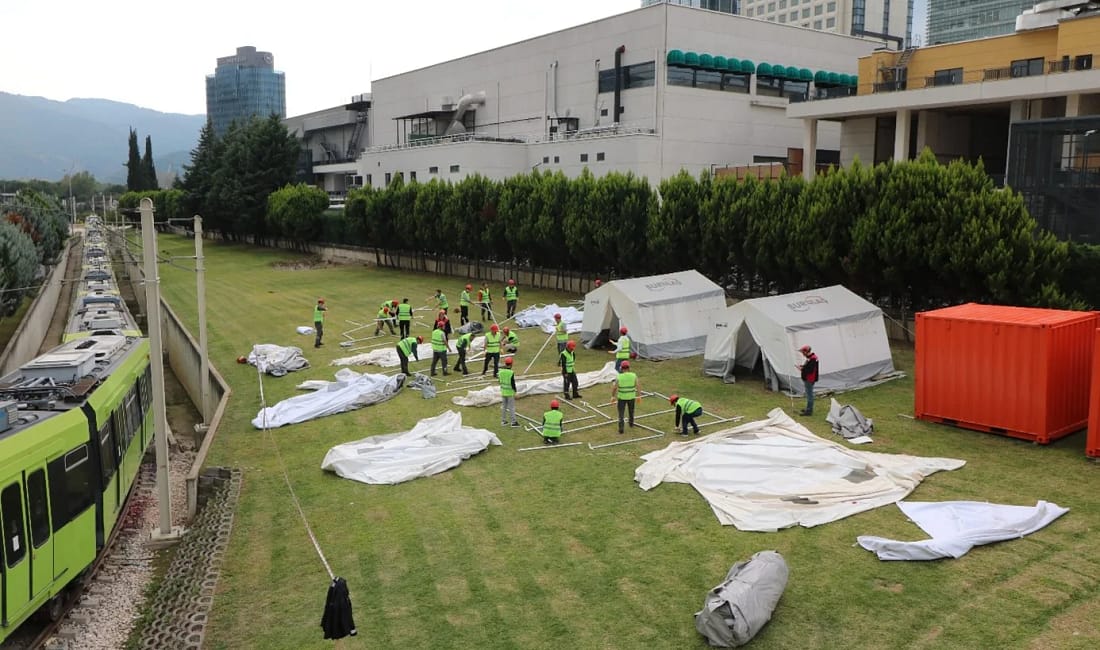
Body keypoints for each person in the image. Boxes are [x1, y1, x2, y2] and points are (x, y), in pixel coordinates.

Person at [610, 360, 639, 434]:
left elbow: (614, 388)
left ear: (621, 368)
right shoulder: (633, 375)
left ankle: (621, 429)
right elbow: (638, 386)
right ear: (629, 368)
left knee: (621, 414)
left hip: (622, 398)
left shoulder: (619, 377)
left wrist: (613, 396)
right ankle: (631, 424)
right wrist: (639, 396)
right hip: (631, 397)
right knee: (631, 411)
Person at [797, 344, 819, 416]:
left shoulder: (812, 358)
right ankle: (808, 408)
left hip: (809, 379)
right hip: (808, 379)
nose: (802, 354)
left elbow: (810, 370)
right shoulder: (810, 358)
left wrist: (802, 369)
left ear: (806, 352)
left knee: (809, 395)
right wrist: (803, 366)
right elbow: (808, 366)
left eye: (803, 352)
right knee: (808, 394)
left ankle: (809, 411)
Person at [499, 357, 519, 427]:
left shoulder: (501, 372)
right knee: (512, 407)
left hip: (503, 392)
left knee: (504, 407)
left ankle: (503, 421)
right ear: (511, 364)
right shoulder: (511, 372)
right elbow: (512, 383)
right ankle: (513, 422)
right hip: (510, 393)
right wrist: (515, 392)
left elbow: (500, 381)